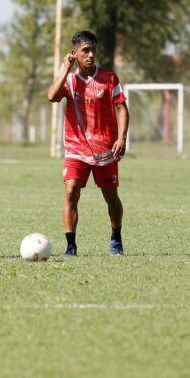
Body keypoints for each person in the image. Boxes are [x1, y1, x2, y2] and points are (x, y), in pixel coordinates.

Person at [47, 30, 129, 256]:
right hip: (76, 149)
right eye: (85, 50)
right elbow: (52, 96)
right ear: (75, 53)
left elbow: (122, 108)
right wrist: (65, 68)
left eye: (93, 49)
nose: (91, 54)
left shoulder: (109, 78)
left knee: (111, 198)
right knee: (71, 190)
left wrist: (122, 137)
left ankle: (116, 238)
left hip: (105, 149)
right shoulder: (70, 80)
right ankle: (70, 245)